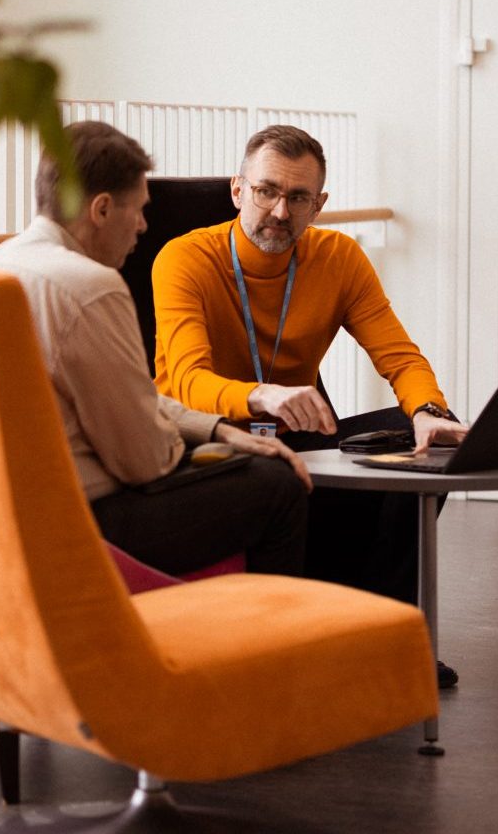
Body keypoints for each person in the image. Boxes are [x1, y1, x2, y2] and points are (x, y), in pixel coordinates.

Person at [152, 123, 466, 686]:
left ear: (319, 204)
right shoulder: (185, 259)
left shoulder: (337, 258)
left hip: (294, 432)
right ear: (237, 191)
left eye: (298, 198)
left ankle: (383, 630)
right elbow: (185, 383)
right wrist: (261, 395)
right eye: (266, 191)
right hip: (209, 436)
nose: (279, 211)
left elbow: (400, 356)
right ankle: (322, 628)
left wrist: (430, 412)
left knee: (418, 442)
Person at [0, 121, 314, 578]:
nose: (142, 226)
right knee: (278, 487)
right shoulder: (91, 287)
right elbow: (146, 463)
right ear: (101, 209)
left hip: (8, 517)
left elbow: (122, 394)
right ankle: (276, 641)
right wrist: (197, 447)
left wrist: (217, 430)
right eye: (138, 211)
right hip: (86, 525)